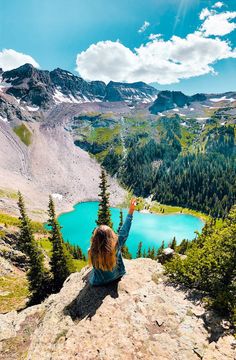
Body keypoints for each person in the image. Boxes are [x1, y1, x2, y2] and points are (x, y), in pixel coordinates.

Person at [88, 198, 136, 286]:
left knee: (88, 277)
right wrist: (131, 211)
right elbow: (125, 230)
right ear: (110, 237)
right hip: (117, 276)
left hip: (99, 282)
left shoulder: (91, 251)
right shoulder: (116, 244)